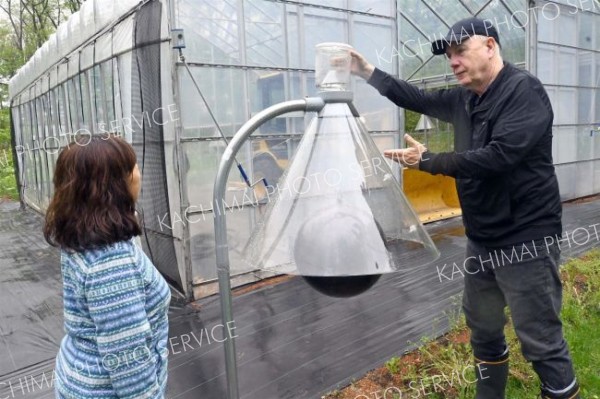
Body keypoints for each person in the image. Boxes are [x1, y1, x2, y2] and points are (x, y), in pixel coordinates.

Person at [350, 17, 579, 399]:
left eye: (461, 51)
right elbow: (414, 97)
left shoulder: (524, 92)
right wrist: (366, 71)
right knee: (483, 327)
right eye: (449, 55)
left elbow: (498, 157)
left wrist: (427, 161)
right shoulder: (464, 98)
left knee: (539, 338)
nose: (453, 61)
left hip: (526, 239)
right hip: (483, 239)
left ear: (490, 46)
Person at [44, 133, 171, 399]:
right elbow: (128, 359)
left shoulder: (80, 235)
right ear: (114, 185)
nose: (138, 173)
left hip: (79, 376)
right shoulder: (111, 262)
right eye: (132, 167)